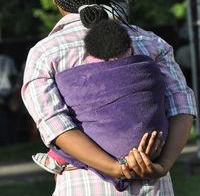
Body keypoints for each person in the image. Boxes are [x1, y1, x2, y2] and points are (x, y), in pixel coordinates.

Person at [21, 0, 196, 196]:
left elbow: (55, 125)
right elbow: (182, 106)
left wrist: (116, 168)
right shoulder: (151, 42)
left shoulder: (45, 54)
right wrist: (164, 164)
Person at [31, 19, 168, 182]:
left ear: (88, 55)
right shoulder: (148, 65)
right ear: (130, 49)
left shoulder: (71, 76)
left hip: (105, 150)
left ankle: (58, 157)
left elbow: (55, 117)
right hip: (152, 144)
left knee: (79, 129)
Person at [0, 44, 18, 144]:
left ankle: (4, 141)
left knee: (2, 119)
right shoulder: (9, 60)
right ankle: (12, 140)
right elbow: (14, 76)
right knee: (11, 118)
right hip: (8, 92)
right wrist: (13, 89)